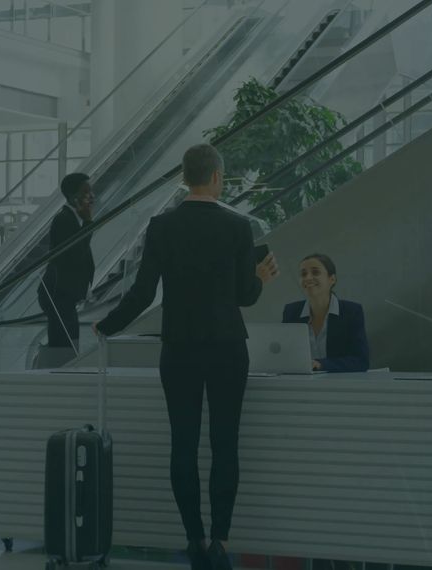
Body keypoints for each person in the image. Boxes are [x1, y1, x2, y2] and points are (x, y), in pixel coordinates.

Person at [94, 144, 279, 570]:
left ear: (185, 176)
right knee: (225, 444)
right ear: (216, 177)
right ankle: (220, 542)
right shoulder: (237, 226)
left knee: (183, 445)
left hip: (178, 349)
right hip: (227, 348)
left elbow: (142, 292)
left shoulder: (162, 226)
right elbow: (244, 298)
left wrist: (108, 325)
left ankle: (193, 540)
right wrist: (260, 277)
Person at [38, 172, 95, 354]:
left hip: (64, 297)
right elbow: (75, 255)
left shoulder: (70, 218)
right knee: (63, 350)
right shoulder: (63, 219)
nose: (91, 196)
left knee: (68, 346)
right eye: (86, 192)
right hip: (58, 296)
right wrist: (88, 222)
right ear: (73, 197)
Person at [282, 254, 370, 373]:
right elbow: (284, 355)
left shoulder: (351, 311)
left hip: (338, 386)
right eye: (303, 274)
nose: (308, 278)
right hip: (301, 385)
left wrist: (321, 364)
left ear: (332, 279)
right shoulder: (291, 312)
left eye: (315, 272)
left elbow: (361, 361)